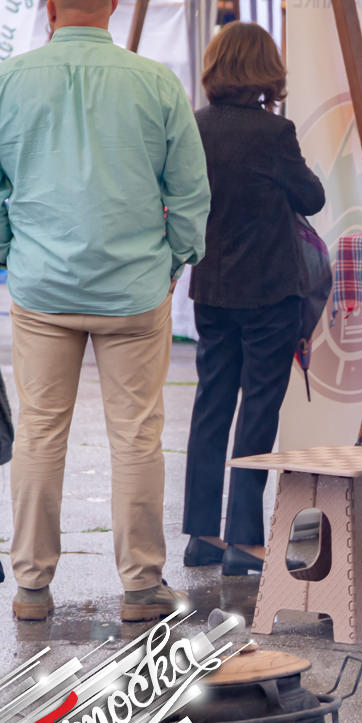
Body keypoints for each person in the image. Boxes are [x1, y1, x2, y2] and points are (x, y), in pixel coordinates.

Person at [0, 0, 210, 621]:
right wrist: (174, 261)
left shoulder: (9, 81)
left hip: (42, 287)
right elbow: (191, 191)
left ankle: (33, 587)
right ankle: (142, 586)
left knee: (40, 432)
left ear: (48, 10)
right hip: (134, 289)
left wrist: (11, 255)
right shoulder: (156, 83)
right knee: (138, 435)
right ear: (113, 8)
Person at [181, 22, 325, 576]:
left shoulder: (196, 128)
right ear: (267, 72)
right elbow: (310, 198)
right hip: (270, 291)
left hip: (213, 289)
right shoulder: (275, 132)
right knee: (259, 408)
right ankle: (245, 539)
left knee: (211, 406)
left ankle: (201, 536)